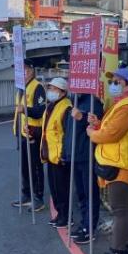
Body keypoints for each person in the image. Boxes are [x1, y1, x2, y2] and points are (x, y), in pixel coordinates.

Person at [87, 67, 128, 254]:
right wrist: (99, 124)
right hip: (118, 162)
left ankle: (118, 253)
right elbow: (110, 128)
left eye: (118, 82)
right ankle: (126, 248)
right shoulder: (121, 104)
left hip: (121, 164)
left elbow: (111, 134)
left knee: (119, 210)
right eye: (112, 81)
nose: (112, 85)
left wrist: (92, 133)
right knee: (126, 209)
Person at [69, 92, 104, 245]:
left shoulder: (93, 102)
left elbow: (96, 125)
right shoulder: (74, 100)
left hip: (87, 154)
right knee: (81, 193)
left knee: (90, 193)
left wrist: (81, 117)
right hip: (75, 154)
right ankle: (84, 224)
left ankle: (89, 228)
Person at [12, 60, 46, 211]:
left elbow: (40, 111)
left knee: (35, 166)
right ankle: (26, 194)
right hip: (22, 133)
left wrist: (25, 110)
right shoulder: (21, 88)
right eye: (20, 70)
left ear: (32, 70)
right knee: (24, 166)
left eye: (24, 69)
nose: (22, 72)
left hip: (33, 133)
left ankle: (38, 197)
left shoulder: (37, 87)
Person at [40, 77, 73, 228]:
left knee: (62, 188)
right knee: (54, 188)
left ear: (62, 92)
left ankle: (66, 216)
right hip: (50, 154)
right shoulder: (52, 106)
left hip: (60, 156)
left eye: (53, 89)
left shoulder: (66, 107)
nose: (50, 91)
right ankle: (60, 214)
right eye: (50, 88)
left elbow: (67, 134)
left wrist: (64, 155)